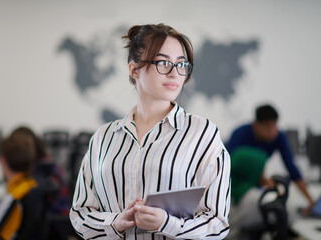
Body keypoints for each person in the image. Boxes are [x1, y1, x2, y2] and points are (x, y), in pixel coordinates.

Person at [69, 23, 231, 239]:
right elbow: (80, 213)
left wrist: (168, 224)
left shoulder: (203, 134)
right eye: (164, 63)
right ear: (134, 69)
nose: (175, 73)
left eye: (181, 64)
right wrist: (114, 223)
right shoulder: (103, 138)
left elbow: (217, 223)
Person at [226, 104, 314, 237]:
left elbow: (292, 168)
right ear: (256, 125)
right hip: (235, 187)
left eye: (275, 125)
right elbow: (226, 168)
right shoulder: (240, 134)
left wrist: (310, 201)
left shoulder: (279, 137)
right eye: (268, 126)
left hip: (253, 187)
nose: (273, 131)